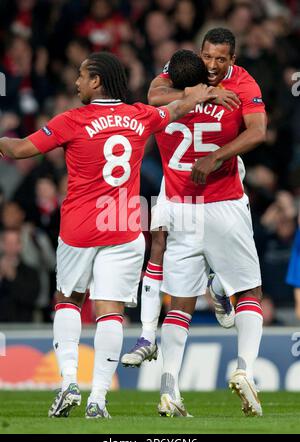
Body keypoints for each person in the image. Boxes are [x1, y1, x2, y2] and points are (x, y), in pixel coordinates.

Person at [0, 51, 216, 419]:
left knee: (68, 299)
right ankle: (98, 399)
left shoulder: (72, 120)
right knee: (110, 311)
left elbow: (20, 150)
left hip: (80, 228)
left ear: (97, 81)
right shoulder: (139, 115)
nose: (76, 82)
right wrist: (202, 93)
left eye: (82, 76)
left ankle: (68, 382)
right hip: (125, 228)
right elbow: (176, 110)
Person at [126, 28, 267, 418]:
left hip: (187, 200)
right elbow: (256, 131)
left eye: (221, 58)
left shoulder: (223, 81)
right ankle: (211, 377)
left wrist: (216, 155)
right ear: (200, 54)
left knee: (185, 299)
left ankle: (182, 373)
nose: (213, 64)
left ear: (232, 58)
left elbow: (259, 131)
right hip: (208, 205)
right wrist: (204, 95)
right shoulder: (190, 76)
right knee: (242, 290)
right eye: (208, 56)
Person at [121, 50, 238, 369]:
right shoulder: (225, 98)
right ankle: (149, 334)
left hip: (198, 185)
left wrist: (192, 95)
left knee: (160, 248)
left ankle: (148, 333)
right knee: (164, 246)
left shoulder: (164, 102)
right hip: (197, 182)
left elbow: (153, 93)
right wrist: (209, 94)